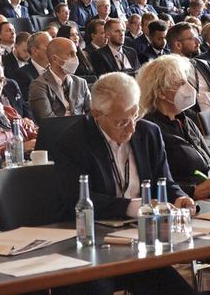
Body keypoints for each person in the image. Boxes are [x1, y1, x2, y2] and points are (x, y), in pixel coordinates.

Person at [52, 72, 197, 295]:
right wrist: (132, 207)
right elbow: (77, 199)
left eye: (135, 116)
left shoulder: (149, 132)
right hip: (90, 245)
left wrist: (179, 197)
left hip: (141, 241)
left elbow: (164, 181)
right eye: (122, 122)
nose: (131, 128)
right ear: (97, 114)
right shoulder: (73, 142)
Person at [137, 55, 210, 199]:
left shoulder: (187, 121)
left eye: (187, 82)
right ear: (161, 92)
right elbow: (154, 183)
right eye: (180, 84)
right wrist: (193, 191)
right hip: (184, 203)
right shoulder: (149, 129)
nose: (188, 88)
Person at [28, 37, 91, 120]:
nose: (76, 58)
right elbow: (48, 120)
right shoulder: (39, 85)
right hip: (56, 131)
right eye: (71, 54)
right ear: (55, 59)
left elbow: (92, 112)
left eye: (76, 54)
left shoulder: (81, 82)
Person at [14, 31, 52, 97]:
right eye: (48, 46)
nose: (52, 50)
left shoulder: (57, 69)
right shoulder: (22, 75)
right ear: (35, 50)